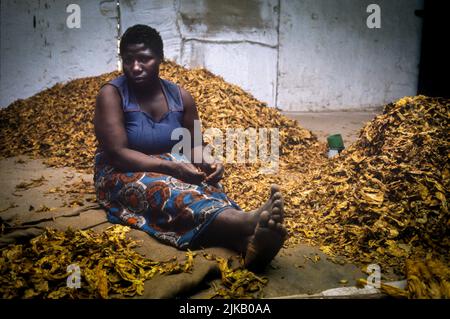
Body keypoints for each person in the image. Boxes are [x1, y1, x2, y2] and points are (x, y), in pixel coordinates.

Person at [93, 24, 287, 271]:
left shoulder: (180, 96)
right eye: (128, 60)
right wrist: (172, 168)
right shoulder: (112, 94)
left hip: (172, 163)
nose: (135, 67)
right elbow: (117, 154)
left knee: (205, 186)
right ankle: (247, 221)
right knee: (163, 189)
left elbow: (193, 144)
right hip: (120, 172)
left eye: (144, 59)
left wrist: (208, 161)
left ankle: (247, 242)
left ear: (160, 58)